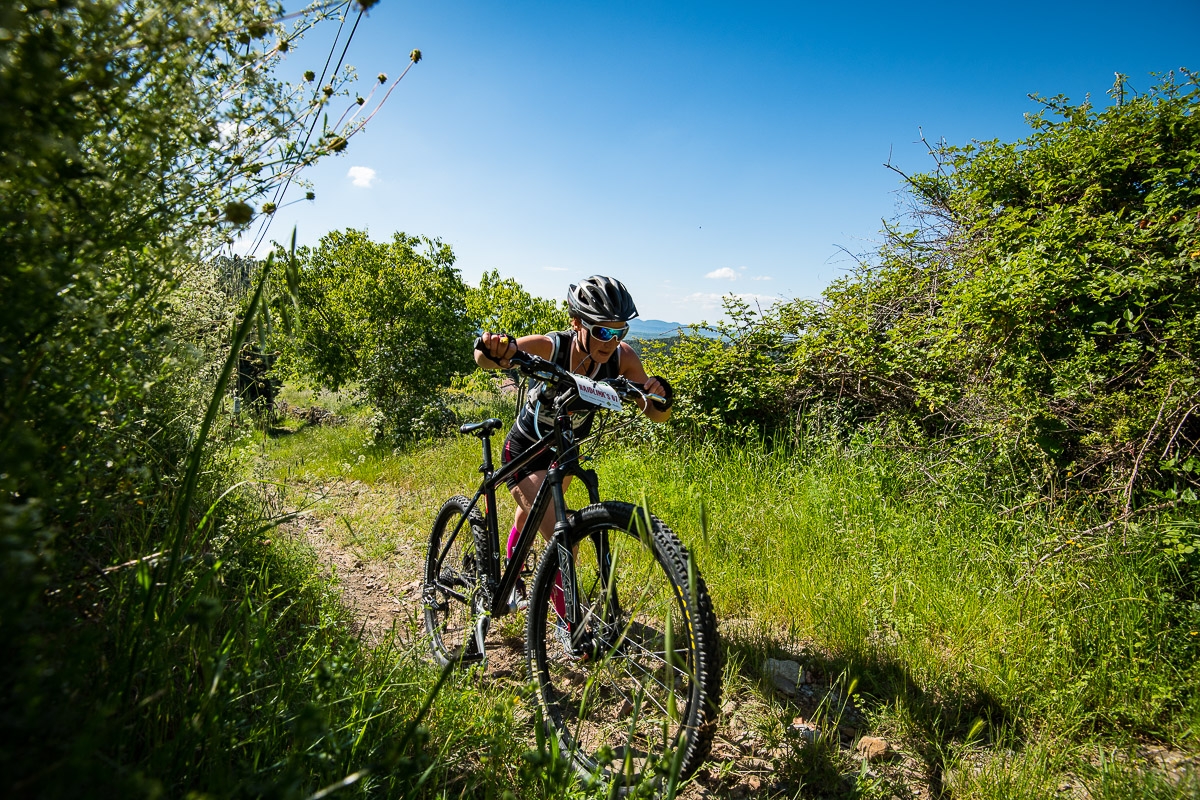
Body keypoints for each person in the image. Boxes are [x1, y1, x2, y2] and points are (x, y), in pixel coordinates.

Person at [475, 276, 673, 650]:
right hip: (524, 449)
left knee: (534, 518)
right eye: (600, 330)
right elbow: (491, 357)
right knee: (562, 535)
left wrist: (656, 394)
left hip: (564, 450)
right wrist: (493, 348)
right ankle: (571, 625)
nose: (609, 341)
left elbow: (656, 414)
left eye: (619, 331)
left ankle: (513, 573)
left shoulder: (622, 357)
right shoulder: (554, 346)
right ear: (576, 322)